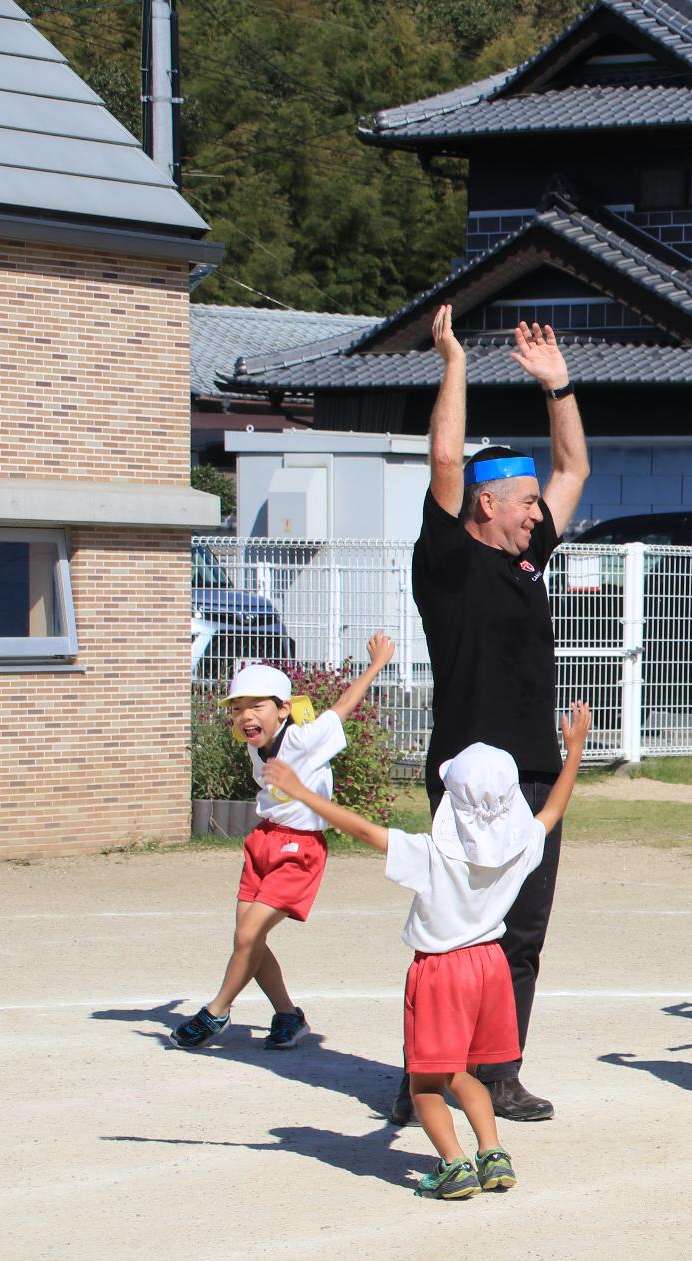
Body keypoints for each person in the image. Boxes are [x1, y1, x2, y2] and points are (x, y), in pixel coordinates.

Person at [262, 702, 589, 1199]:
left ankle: (455, 1165)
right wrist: (575, 751)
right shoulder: (523, 843)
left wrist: (302, 792)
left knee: (426, 1085)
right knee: (463, 1072)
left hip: (441, 971)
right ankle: (492, 1152)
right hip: (491, 966)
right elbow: (553, 808)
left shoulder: (432, 855)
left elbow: (363, 831)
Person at [398, 304, 590, 1126]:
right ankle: (426, 1075)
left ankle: (500, 1070)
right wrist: (455, 363)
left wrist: (559, 388)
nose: (536, 512)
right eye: (521, 501)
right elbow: (446, 454)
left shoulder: (525, 560)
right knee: (450, 934)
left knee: (522, 932)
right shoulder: (447, 564)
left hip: (536, 773)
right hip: (466, 779)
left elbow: (574, 470)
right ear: (481, 506)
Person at [170, 637, 397, 1051]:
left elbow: (343, 705)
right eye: (237, 709)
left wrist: (377, 663)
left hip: (300, 850)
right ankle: (288, 1015)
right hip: (263, 842)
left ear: (283, 709)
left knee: (248, 935)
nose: (244, 716)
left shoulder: (303, 739)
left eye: (256, 705)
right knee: (247, 936)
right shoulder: (258, 746)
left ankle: (215, 1012)